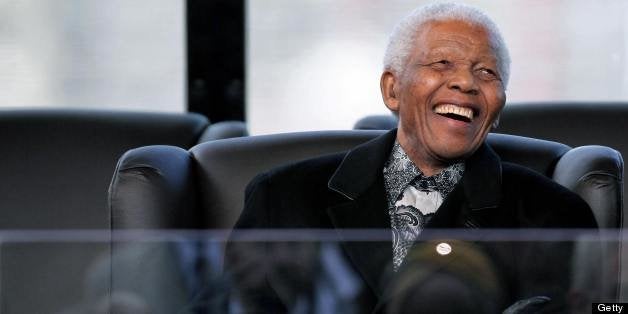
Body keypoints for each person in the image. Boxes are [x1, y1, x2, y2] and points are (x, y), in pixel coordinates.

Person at [226, 2, 597, 313]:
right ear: (392, 89)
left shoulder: (554, 215)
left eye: (486, 72)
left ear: (498, 107)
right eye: (441, 64)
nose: (466, 83)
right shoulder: (282, 197)